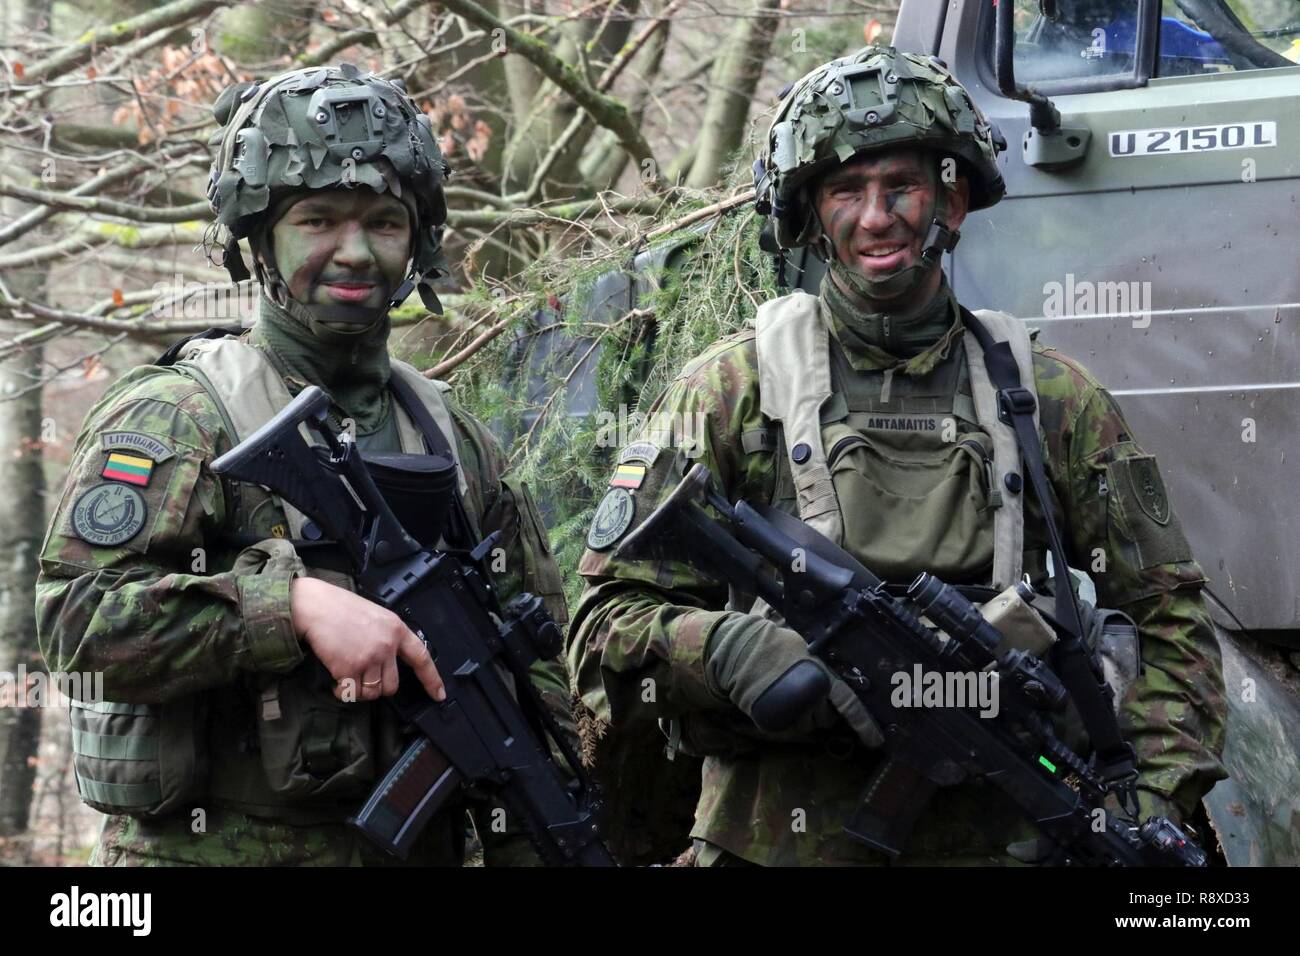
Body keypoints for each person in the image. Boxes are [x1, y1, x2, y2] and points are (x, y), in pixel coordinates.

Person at [566, 46, 1227, 866]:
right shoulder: (734, 388)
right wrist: (730, 651)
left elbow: (1171, 624)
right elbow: (600, 632)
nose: (875, 218)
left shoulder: (1051, 398)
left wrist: (1145, 803)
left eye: (902, 187)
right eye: (846, 190)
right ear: (810, 215)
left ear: (951, 200)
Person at [35, 64, 571, 866]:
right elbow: (74, 624)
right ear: (258, 241)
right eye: (317, 219)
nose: (353, 252)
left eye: (385, 223)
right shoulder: (180, 415)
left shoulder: (451, 437)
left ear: (417, 243)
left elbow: (539, 670)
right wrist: (292, 610)